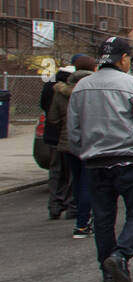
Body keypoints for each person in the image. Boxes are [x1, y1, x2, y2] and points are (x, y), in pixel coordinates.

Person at [65, 38, 133, 282]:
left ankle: (108, 269)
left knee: (103, 217)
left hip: (95, 163)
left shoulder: (81, 87)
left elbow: (73, 130)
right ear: (123, 58)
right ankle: (121, 255)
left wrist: (84, 153)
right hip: (128, 160)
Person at [48, 56, 96, 236]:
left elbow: (52, 118)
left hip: (67, 142)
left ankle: (78, 214)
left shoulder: (60, 91)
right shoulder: (93, 89)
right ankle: (83, 223)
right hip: (91, 141)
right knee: (88, 183)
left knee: (76, 182)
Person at [42, 65, 76, 220]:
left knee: (55, 171)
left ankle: (54, 205)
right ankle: (71, 205)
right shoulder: (74, 89)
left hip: (52, 135)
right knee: (71, 172)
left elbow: (45, 108)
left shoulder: (49, 86)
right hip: (68, 136)